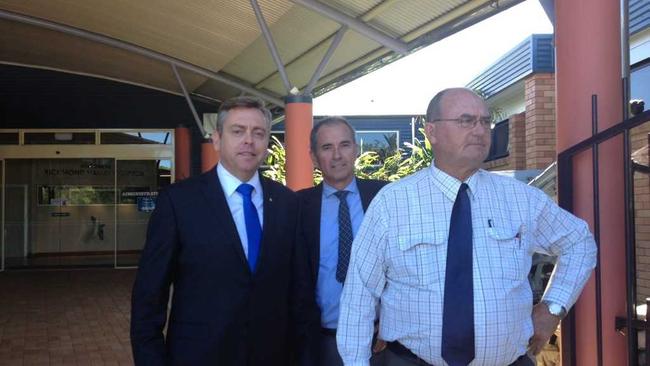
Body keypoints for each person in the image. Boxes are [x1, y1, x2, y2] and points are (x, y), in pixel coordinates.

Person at [336, 88, 597, 366]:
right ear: (432, 132)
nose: (479, 130)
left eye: (485, 122)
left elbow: (579, 242)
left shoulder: (521, 198)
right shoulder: (394, 202)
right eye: (465, 120)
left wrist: (552, 307)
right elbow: (359, 295)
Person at [130, 96, 303, 365]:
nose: (249, 140)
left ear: (267, 142)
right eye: (238, 131)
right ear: (217, 140)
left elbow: (298, 293)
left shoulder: (287, 203)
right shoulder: (179, 202)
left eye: (258, 133)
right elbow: (149, 298)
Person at [297, 117, 388, 366]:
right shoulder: (297, 207)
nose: (337, 155)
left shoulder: (386, 197)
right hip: (321, 342)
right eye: (327, 147)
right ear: (314, 158)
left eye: (345, 145)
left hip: (380, 342)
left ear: (356, 149)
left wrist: (392, 319)